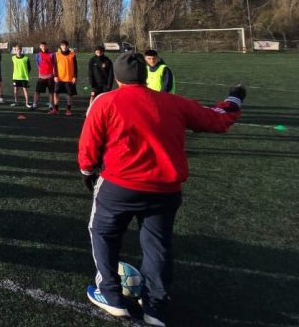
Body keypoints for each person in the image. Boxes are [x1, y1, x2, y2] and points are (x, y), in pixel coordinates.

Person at [78, 52, 244, 324]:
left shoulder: (104, 102)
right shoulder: (173, 102)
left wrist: (86, 171)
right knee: (157, 245)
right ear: (145, 75)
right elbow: (217, 118)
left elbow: (89, 144)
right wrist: (235, 97)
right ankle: (156, 304)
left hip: (119, 186)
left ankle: (110, 292)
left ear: (117, 78)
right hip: (165, 190)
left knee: (103, 234)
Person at [53, 40, 79, 116]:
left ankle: (68, 110)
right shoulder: (56, 54)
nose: (64, 47)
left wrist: (75, 77)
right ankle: (56, 109)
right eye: (62, 45)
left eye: (65, 45)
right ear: (60, 46)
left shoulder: (72, 54)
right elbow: (55, 66)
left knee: (70, 95)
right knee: (56, 93)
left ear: (67, 46)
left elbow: (75, 67)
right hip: (59, 78)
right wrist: (55, 76)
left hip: (69, 78)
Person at [32, 41, 57, 111]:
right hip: (41, 77)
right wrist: (41, 73)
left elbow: (55, 65)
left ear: (47, 46)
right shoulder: (38, 55)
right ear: (40, 47)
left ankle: (51, 105)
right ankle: (34, 105)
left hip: (50, 77)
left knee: (51, 92)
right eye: (42, 46)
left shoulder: (52, 54)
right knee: (37, 91)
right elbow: (38, 65)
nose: (43, 47)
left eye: (45, 46)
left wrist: (54, 75)